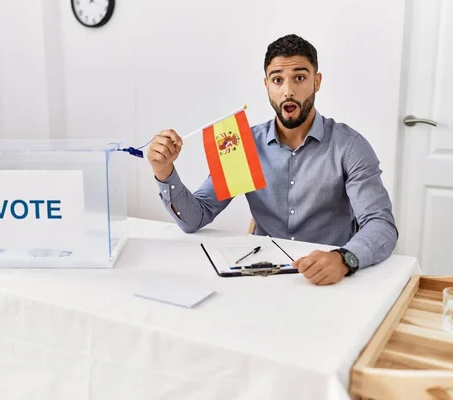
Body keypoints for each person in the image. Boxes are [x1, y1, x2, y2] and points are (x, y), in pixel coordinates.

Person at [146, 34, 398, 286]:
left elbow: (380, 224)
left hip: (332, 279)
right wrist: (164, 171)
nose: (288, 91)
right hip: (264, 275)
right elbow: (195, 219)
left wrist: (344, 259)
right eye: (278, 80)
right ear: (266, 85)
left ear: (317, 82)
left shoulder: (350, 146)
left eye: (300, 78)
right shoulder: (240, 146)